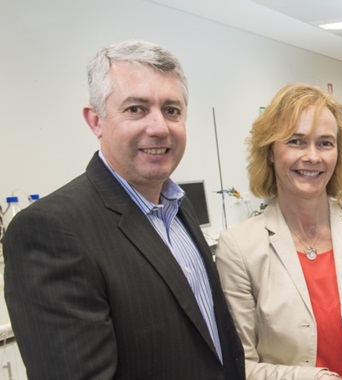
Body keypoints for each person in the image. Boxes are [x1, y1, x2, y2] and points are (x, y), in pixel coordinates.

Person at [3, 40, 245, 380]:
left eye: (172, 110)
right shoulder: (51, 230)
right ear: (95, 120)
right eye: (136, 109)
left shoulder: (178, 206)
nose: (159, 127)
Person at [215, 82, 342, 380]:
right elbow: (238, 364)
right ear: (270, 151)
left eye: (325, 143)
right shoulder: (239, 248)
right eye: (296, 141)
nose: (313, 156)